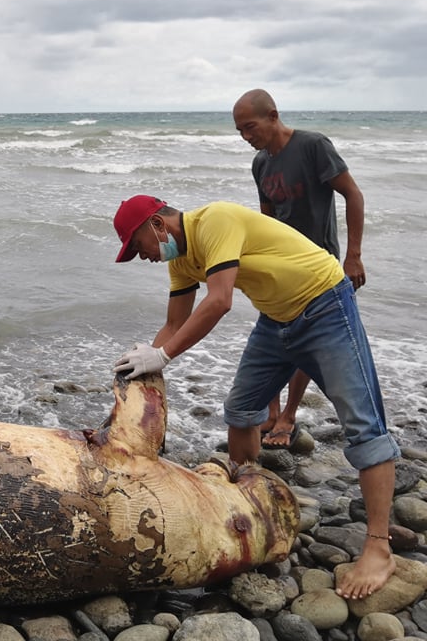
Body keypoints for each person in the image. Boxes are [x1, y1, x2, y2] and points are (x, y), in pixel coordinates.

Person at [111, 194, 399, 600]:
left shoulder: (216, 220)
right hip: (277, 318)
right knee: (242, 410)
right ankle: (251, 503)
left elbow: (220, 300)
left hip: (325, 306)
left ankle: (378, 546)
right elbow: (174, 323)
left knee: (364, 426)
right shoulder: (180, 260)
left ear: (157, 224)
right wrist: (140, 372)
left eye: (137, 246)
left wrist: (162, 354)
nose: (140, 256)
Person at [233, 89, 367, 450]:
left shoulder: (312, 146)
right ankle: (270, 413)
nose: (247, 137)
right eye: (240, 131)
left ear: (273, 115)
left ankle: (289, 415)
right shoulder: (260, 163)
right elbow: (266, 221)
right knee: (275, 337)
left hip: (317, 268)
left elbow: (352, 194)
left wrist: (353, 255)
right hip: (279, 270)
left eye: (250, 127)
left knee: (307, 341)